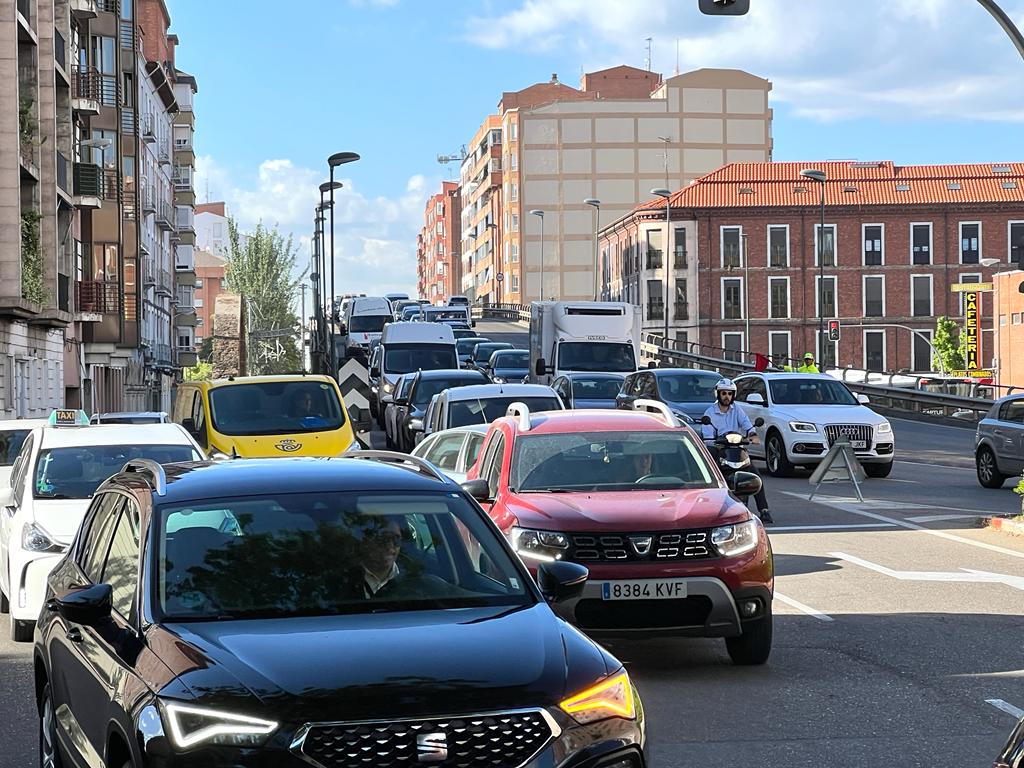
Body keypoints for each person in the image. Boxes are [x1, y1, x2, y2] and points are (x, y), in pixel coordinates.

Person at [700, 379, 773, 524]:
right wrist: (713, 440)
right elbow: (707, 435)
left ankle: (764, 510)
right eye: (723, 393)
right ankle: (709, 507)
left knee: (754, 473)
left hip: (736, 447)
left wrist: (752, 434)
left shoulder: (737, 409)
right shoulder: (710, 412)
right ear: (718, 394)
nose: (726, 396)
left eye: (729, 393)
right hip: (719, 448)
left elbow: (747, 424)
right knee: (711, 473)